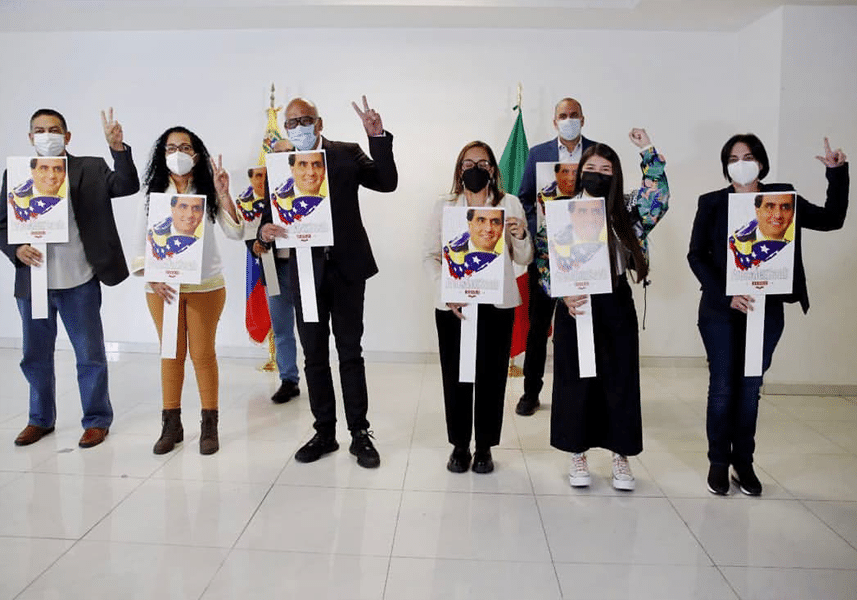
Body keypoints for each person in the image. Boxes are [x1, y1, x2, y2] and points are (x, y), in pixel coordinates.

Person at [688, 135, 848, 496]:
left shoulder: (781, 199)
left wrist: (837, 174)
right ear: (725, 164)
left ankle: (743, 463)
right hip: (720, 309)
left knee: (749, 389)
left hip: (766, 308)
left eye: (747, 156)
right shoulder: (712, 203)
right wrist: (727, 293)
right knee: (723, 387)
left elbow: (831, 219)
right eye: (733, 157)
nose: (740, 163)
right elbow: (696, 255)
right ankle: (717, 461)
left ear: (761, 162)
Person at [258, 96, 397, 468]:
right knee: (315, 356)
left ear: (319, 124)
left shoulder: (346, 153)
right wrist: (264, 230)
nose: (299, 127)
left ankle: (359, 434)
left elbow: (387, 182)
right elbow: (270, 215)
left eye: (306, 120)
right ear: (285, 129)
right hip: (304, 271)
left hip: (348, 269)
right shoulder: (281, 165)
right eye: (292, 123)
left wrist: (377, 137)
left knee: (350, 352)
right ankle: (324, 432)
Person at [0, 107, 139, 448]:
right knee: (35, 356)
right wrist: (15, 249)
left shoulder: (90, 167)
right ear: (31, 138)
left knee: (89, 355)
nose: (47, 134)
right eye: (40, 130)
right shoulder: (17, 174)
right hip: (34, 284)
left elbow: (126, 185)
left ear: (67, 136)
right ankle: (40, 419)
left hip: (79, 281)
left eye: (54, 129)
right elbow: (2, 224)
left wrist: (117, 149)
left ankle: (96, 420)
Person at [541, 129, 668, 491]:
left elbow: (659, 195)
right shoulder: (560, 210)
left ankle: (620, 455)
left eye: (606, 168)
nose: (598, 172)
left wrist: (647, 149)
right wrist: (559, 293)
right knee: (575, 379)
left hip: (614, 300)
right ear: (580, 170)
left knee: (619, 379)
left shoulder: (626, 210)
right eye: (591, 166)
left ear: (615, 174)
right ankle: (576, 452)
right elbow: (545, 260)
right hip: (575, 303)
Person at [131, 126, 243, 455]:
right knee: (171, 354)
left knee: (203, 355)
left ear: (195, 154)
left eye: (184, 147)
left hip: (205, 286)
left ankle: (209, 425)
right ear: (161, 154)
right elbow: (139, 243)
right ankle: (171, 424)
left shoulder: (206, 190)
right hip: (163, 288)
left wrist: (224, 194)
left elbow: (235, 233)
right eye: (170, 148)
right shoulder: (151, 194)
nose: (177, 153)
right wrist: (150, 275)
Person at [424, 141, 533, 473]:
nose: (476, 169)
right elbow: (430, 256)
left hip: (496, 305)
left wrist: (520, 233)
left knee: (491, 375)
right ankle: (459, 445)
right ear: (460, 169)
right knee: (456, 375)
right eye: (469, 163)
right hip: (455, 306)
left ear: (493, 169)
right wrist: (447, 290)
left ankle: (484, 446)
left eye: (483, 163)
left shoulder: (509, 204)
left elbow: (525, 259)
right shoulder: (444, 206)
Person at [516, 97, 597, 416]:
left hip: (587, 254)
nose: (568, 119)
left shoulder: (596, 153)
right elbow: (524, 197)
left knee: (583, 323)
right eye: (563, 115)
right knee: (538, 326)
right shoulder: (538, 154)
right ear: (554, 121)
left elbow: (608, 192)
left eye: (574, 115)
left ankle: (582, 392)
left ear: (583, 119)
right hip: (545, 255)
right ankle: (530, 392)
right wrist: (540, 225)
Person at [247, 139, 301, 404]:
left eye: (288, 152)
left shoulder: (312, 180)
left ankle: (317, 376)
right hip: (275, 265)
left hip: (306, 267)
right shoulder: (268, 185)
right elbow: (261, 223)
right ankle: (288, 379)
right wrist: (261, 236)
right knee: (281, 328)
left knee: (312, 327)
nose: (282, 157)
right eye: (276, 153)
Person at [728, 192, 795, 270]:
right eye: (770, 206)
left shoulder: (796, 241)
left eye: (785, 207)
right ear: (757, 210)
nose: (778, 215)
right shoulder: (733, 246)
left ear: (793, 212)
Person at [271, 151, 328, 224]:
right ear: (292, 169)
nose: (311, 172)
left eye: (316, 164)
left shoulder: (337, 194)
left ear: (324, 170)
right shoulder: (275, 203)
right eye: (302, 164)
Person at [8, 157, 68, 222]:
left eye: (57, 169)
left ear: (64, 174)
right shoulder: (12, 199)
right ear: (33, 171)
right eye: (44, 168)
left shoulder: (72, 196)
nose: (51, 176)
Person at [147, 195, 204, 260]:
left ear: (203, 213)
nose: (189, 214)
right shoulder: (154, 236)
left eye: (196, 208)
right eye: (183, 207)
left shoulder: (205, 237)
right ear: (172, 209)